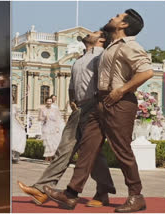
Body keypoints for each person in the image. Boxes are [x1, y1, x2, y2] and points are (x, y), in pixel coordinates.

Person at [43, 9, 153, 213]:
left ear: (124, 25)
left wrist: (121, 90)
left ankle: (136, 195)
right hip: (100, 102)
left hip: (119, 102)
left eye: (118, 16)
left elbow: (147, 72)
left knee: (122, 150)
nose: (113, 17)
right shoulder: (110, 46)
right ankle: (70, 194)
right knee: (87, 148)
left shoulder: (131, 46)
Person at [18, 30, 116, 207]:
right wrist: (72, 99)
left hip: (94, 107)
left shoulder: (101, 57)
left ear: (101, 39)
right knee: (68, 149)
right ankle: (42, 189)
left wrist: (102, 106)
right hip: (79, 108)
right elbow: (72, 85)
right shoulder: (78, 60)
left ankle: (101, 191)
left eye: (94, 32)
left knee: (90, 152)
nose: (88, 33)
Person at [38, 97, 63, 162]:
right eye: (48, 101)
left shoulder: (55, 109)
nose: (49, 102)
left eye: (50, 101)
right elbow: (39, 118)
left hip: (54, 127)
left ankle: (51, 157)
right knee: (47, 142)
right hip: (46, 127)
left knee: (53, 143)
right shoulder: (42, 109)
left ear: (52, 102)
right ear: (45, 101)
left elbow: (58, 119)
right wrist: (44, 118)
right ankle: (47, 157)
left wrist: (58, 128)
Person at [11, 96, 27, 163]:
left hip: (14, 124)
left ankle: (15, 155)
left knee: (17, 138)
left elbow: (16, 117)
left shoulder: (14, 106)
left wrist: (22, 124)